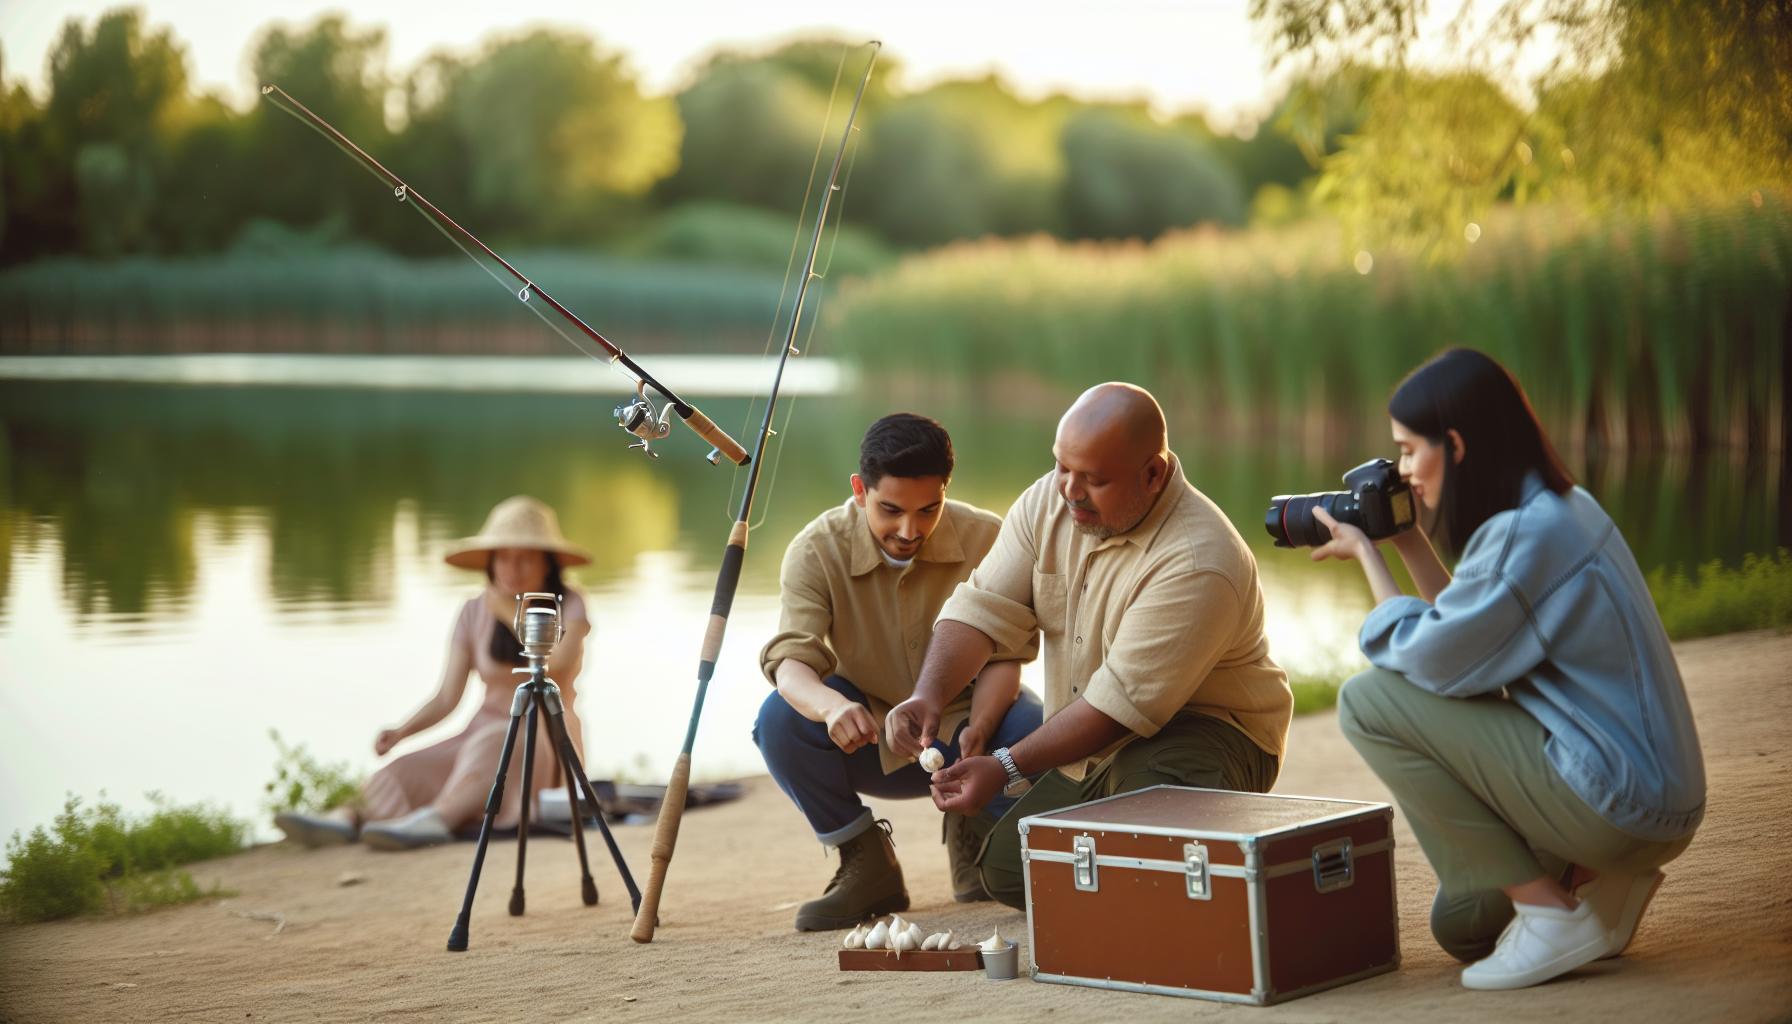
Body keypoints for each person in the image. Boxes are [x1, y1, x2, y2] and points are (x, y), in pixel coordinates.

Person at [1307, 347, 1705, 991]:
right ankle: (1599, 881)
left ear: (1456, 445)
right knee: (1463, 925)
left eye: (1409, 450)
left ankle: (1552, 913)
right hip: (1653, 797)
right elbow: (1468, 637)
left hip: (1620, 796)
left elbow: (1430, 659)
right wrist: (1406, 538)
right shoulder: (1561, 508)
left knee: (1366, 702)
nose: (1402, 471)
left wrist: (1367, 559)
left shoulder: (1526, 534)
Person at [895, 383, 1293, 908]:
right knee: (1008, 872)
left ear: (1152, 475)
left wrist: (1006, 765)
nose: (1069, 491)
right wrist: (928, 694)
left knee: (1139, 821)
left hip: (1211, 731)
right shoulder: (1050, 499)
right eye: (1062, 466)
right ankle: (1137, 856)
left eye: (1094, 479)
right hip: (1102, 744)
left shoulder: (1199, 560)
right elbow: (980, 609)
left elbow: (1113, 709)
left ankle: (1187, 863)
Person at [753, 413, 1043, 931]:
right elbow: (790, 663)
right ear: (859, 490)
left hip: (968, 728)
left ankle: (977, 829)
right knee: (778, 720)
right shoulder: (815, 548)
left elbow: (1007, 656)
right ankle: (866, 861)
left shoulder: (989, 537)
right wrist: (833, 708)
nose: (909, 531)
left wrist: (980, 728)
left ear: (945, 490)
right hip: (869, 737)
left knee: (1037, 732)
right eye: (890, 510)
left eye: (928, 510)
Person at [274, 495, 593, 851]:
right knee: (404, 770)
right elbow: (446, 697)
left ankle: (438, 819)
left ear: (547, 564)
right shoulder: (473, 611)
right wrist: (402, 731)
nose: (511, 568)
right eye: (503, 557)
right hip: (480, 733)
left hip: (544, 738)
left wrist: (509, 609)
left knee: (496, 743)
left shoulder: (568, 603)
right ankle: (346, 818)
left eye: (525, 558)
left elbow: (556, 664)